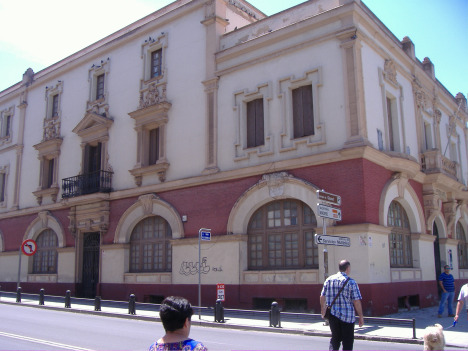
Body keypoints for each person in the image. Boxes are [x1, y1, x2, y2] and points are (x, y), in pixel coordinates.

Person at [320, 260, 364, 351]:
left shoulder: (329, 280)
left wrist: (323, 310)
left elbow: (322, 296)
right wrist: (361, 316)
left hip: (333, 316)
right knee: (347, 342)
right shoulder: (351, 282)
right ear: (347, 268)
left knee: (335, 340)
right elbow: (356, 301)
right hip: (347, 317)